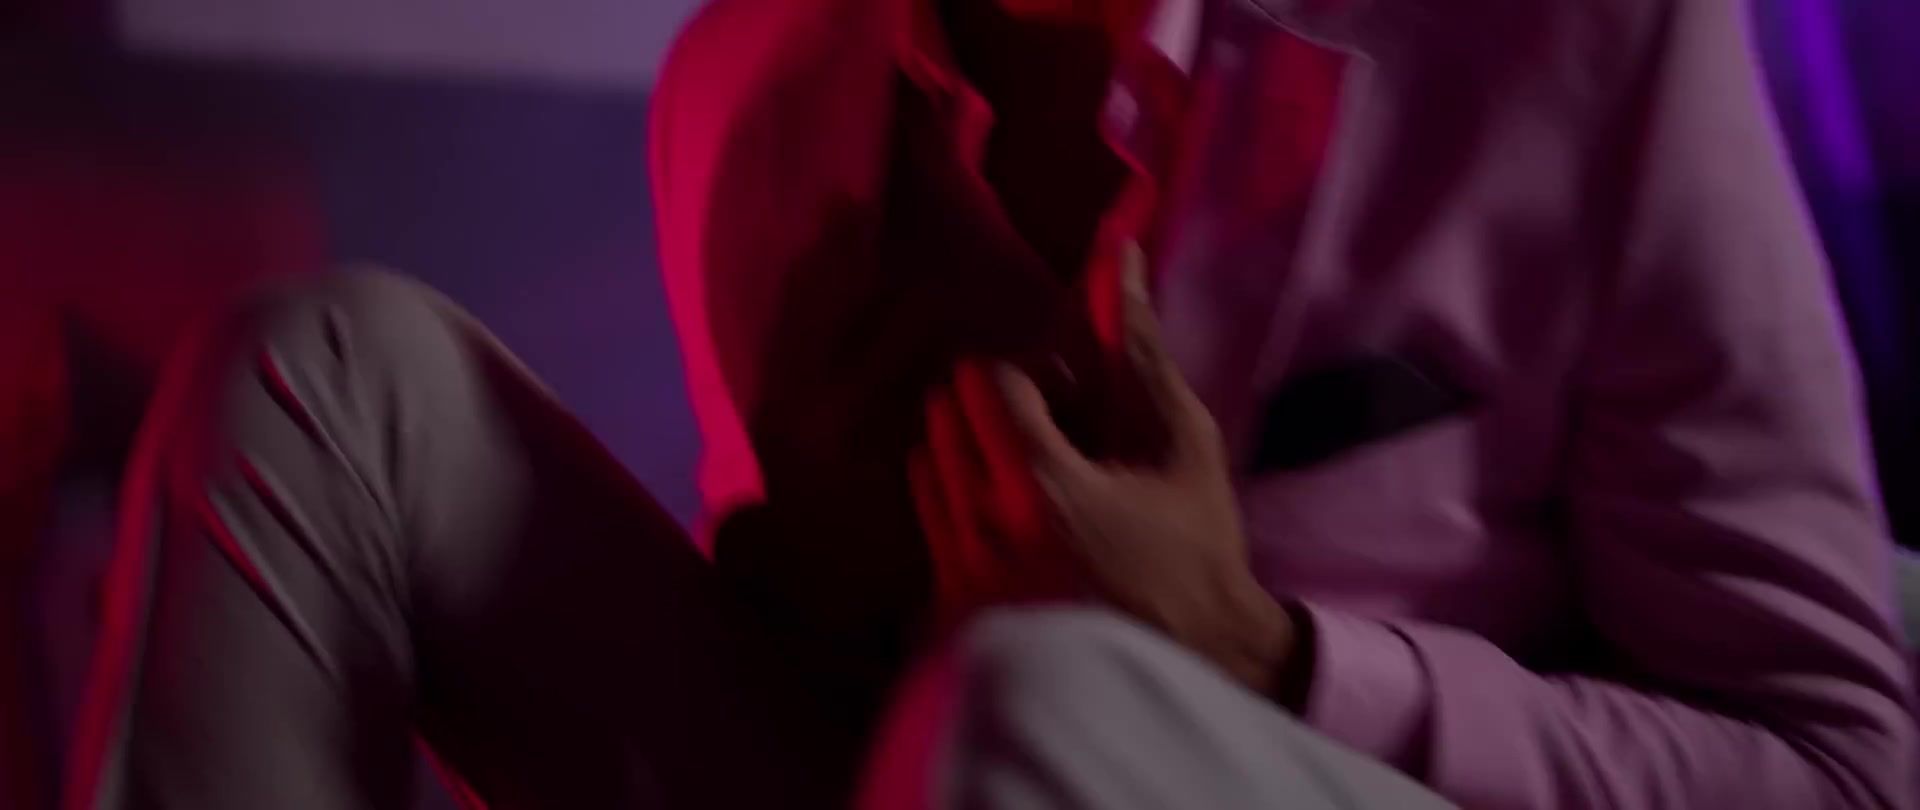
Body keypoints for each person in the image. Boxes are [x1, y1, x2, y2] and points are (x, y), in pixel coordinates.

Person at [64, 1, 1917, 810]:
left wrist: (1270, 657)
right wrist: (812, 588)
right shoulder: (756, 83)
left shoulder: (1577, 39)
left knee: (1035, 698)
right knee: (324, 378)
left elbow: (1840, 766)